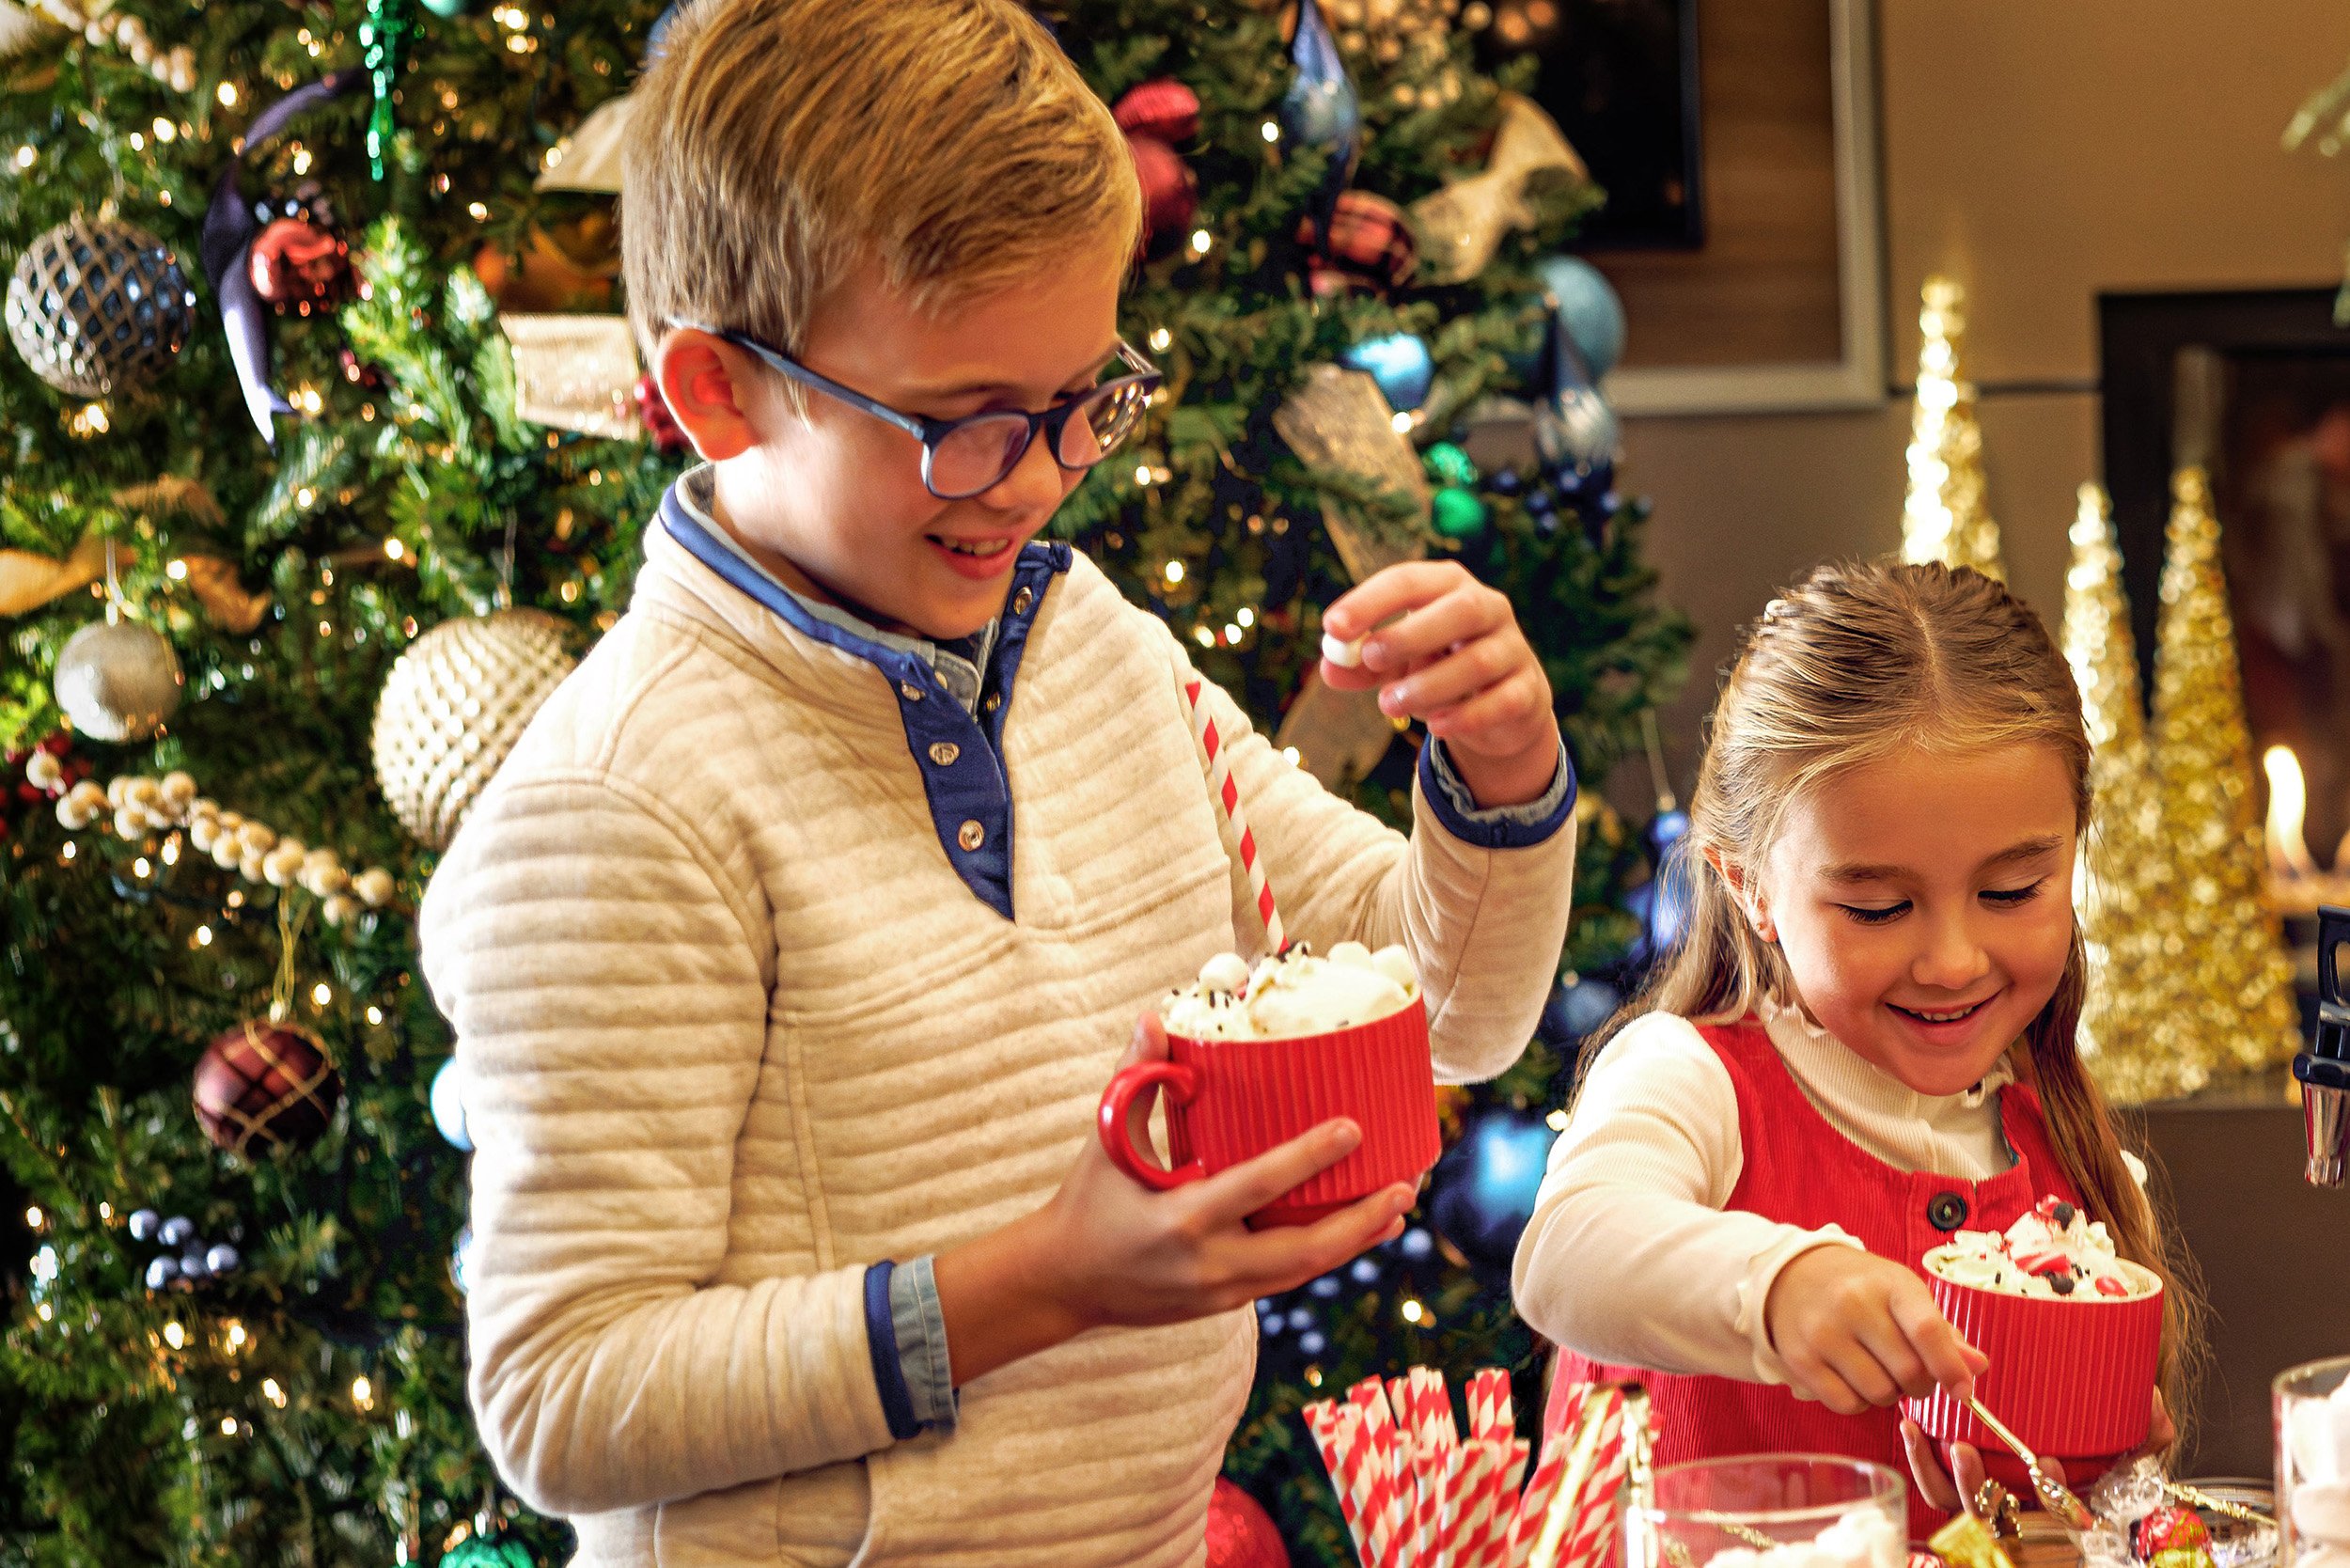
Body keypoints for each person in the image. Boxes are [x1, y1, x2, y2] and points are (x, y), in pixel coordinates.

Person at [416, 2, 1579, 1563]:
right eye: (965, 425)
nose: (1035, 481)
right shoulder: (620, 803)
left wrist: (1497, 775)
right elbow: (563, 1397)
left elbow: (1443, 1012)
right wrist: (1048, 1278)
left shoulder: (1083, 638)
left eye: (1083, 401)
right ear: (719, 393)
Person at [1512, 561, 2197, 1532]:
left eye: (2010, 893)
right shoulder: (1690, 1080)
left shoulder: (2080, 1174)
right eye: (1878, 907)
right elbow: (1564, 1255)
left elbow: (2081, 1534)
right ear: (1748, 886)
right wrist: (1780, 1287)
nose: (1953, 962)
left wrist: (2082, 1520)